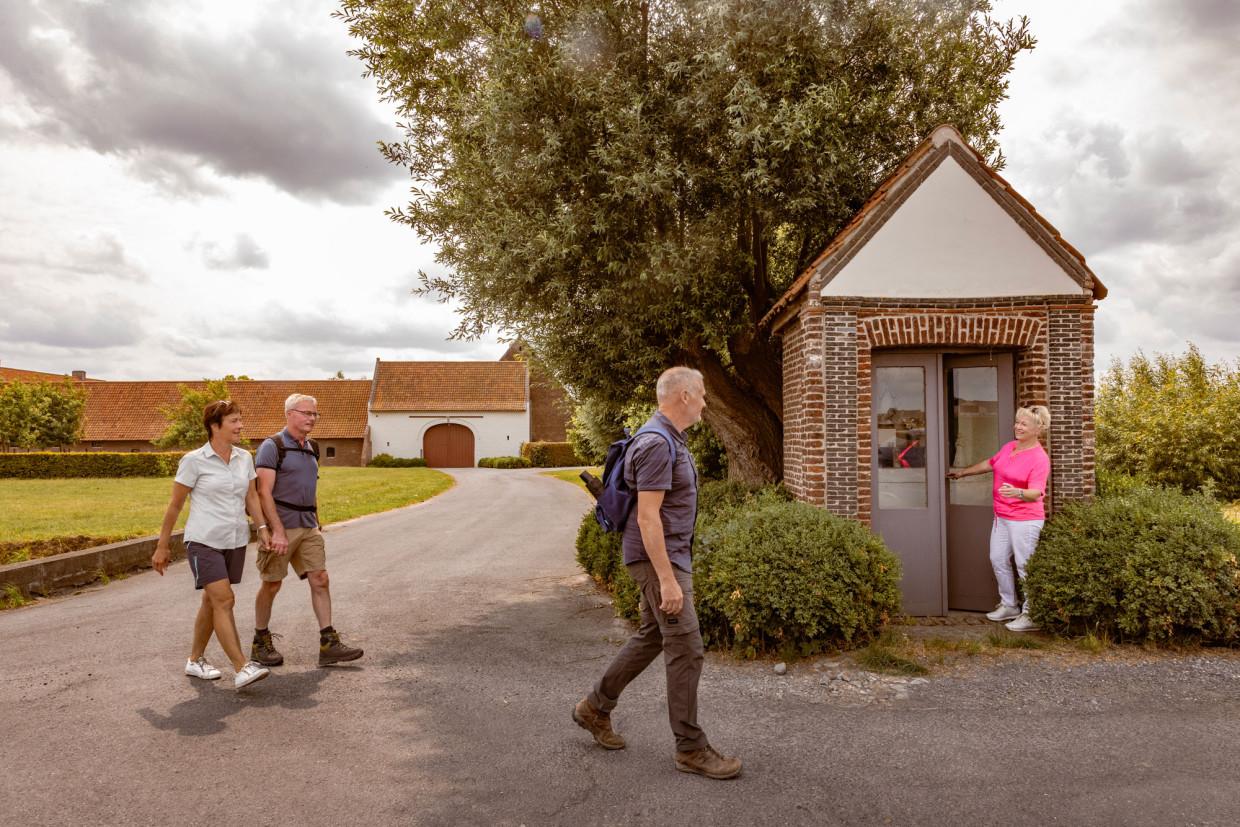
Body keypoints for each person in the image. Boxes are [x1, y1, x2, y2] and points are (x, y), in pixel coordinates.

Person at [573, 367, 742, 780]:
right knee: (686, 646)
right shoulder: (656, 443)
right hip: (657, 559)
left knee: (653, 635)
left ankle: (595, 708)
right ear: (683, 395)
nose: (704, 401)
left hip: (668, 556)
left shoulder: (670, 439)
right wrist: (667, 579)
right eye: (701, 394)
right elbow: (648, 519)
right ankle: (691, 748)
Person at [152, 400, 271, 689]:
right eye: (233, 421)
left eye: (240, 420)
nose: (240, 426)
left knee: (211, 600)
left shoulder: (244, 458)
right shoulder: (194, 460)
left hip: (235, 539)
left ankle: (195, 660)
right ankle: (241, 667)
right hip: (203, 540)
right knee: (224, 599)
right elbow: (175, 505)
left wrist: (262, 527)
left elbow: (252, 497)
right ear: (214, 426)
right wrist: (162, 546)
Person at [250, 393, 363, 667]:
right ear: (290, 413)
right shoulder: (272, 446)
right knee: (272, 583)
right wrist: (275, 530)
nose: (312, 418)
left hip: (308, 525)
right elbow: (263, 492)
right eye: (306, 413)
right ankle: (260, 641)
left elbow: (309, 486)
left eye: (315, 414)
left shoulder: (312, 447)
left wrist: (317, 520)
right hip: (282, 525)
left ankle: (328, 643)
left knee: (320, 578)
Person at [947, 405, 1052, 632]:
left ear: (1038, 428)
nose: (1018, 426)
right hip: (1002, 516)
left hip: (1025, 520)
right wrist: (963, 473)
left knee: (1025, 565)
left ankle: (1032, 615)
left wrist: (1017, 493)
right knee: (997, 559)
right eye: (1017, 422)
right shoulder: (1010, 447)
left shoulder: (1039, 459)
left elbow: (1037, 492)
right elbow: (990, 463)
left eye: (1024, 423)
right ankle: (1009, 605)